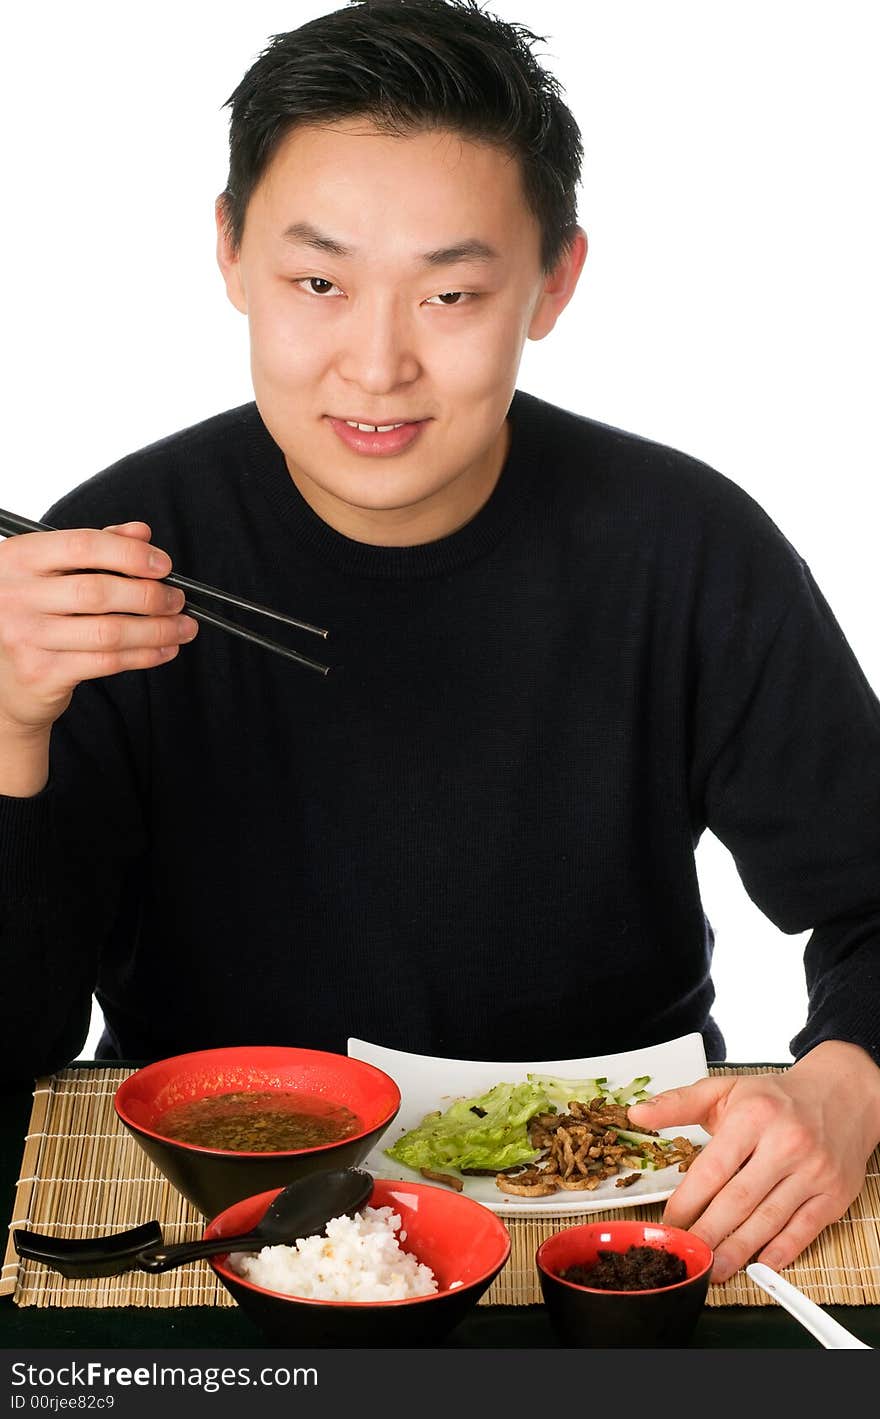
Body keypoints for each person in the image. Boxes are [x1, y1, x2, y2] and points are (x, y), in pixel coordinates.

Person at [0, 0, 877, 1288]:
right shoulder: (111, 562)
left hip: (610, 1195)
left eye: (453, 292)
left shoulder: (685, 544)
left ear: (554, 283)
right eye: (318, 282)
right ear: (231, 258)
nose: (377, 363)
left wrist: (850, 1079)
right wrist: (9, 733)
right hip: (218, 1197)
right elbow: (19, 1048)